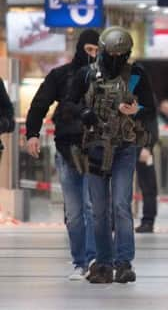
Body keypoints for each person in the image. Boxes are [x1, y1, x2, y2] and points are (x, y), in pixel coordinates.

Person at [67, 26, 156, 284]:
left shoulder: (137, 73)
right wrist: (84, 113)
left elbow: (148, 106)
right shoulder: (87, 74)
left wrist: (135, 110)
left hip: (125, 148)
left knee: (120, 204)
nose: (116, 58)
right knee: (98, 209)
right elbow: (69, 104)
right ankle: (103, 263)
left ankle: (124, 261)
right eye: (112, 53)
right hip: (94, 147)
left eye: (122, 54)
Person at [25, 29, 98, 280]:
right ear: (80, 49)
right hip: (67, 150)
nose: (93, 55)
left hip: (95, 150)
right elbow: (39, 104)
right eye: (89, 50)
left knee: (90, 207)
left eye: (97, 51)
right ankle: (79, 261)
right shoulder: (61, 75)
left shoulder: (103, 77)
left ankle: (92, 260)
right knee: (74, 213)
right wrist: (32, 134)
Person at [135, 114, 159, 233]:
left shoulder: (146, 98)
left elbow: (152, 126)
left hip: (143, 148)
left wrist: (147, 147)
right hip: (123, 146)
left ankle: (148, 221)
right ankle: (113, 220)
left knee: (149, 186)